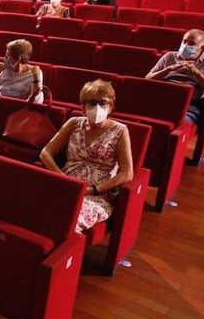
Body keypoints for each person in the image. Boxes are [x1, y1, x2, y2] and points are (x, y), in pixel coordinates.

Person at [39, 79, 134, 233]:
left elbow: (127, 173)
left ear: (110, 107)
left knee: (66, 220)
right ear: (83, 107)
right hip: (66, 182)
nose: (98, 107)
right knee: (35, 207)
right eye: (92, 103)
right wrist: (62, 177)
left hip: (97, 193)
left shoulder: (120, 130)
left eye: (103, 103)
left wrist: (93, 190)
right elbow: (46, 153)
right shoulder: (74, 123)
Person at [145, 29, 204, 125]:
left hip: (189, 105)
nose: (186, 45)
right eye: (184, 41)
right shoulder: (169, 56)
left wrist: (196, 72)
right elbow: (147, 79)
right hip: (162, 99)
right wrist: (168, 69)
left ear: (201, 47)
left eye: (192, 44)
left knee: (181, 123)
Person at [0, 39, 43, 103]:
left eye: (8, 56)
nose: (5, 58)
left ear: (18, 59)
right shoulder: (6, 69)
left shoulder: (35, 73)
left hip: (18, 106)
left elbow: (36, 101)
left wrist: (36, 77)